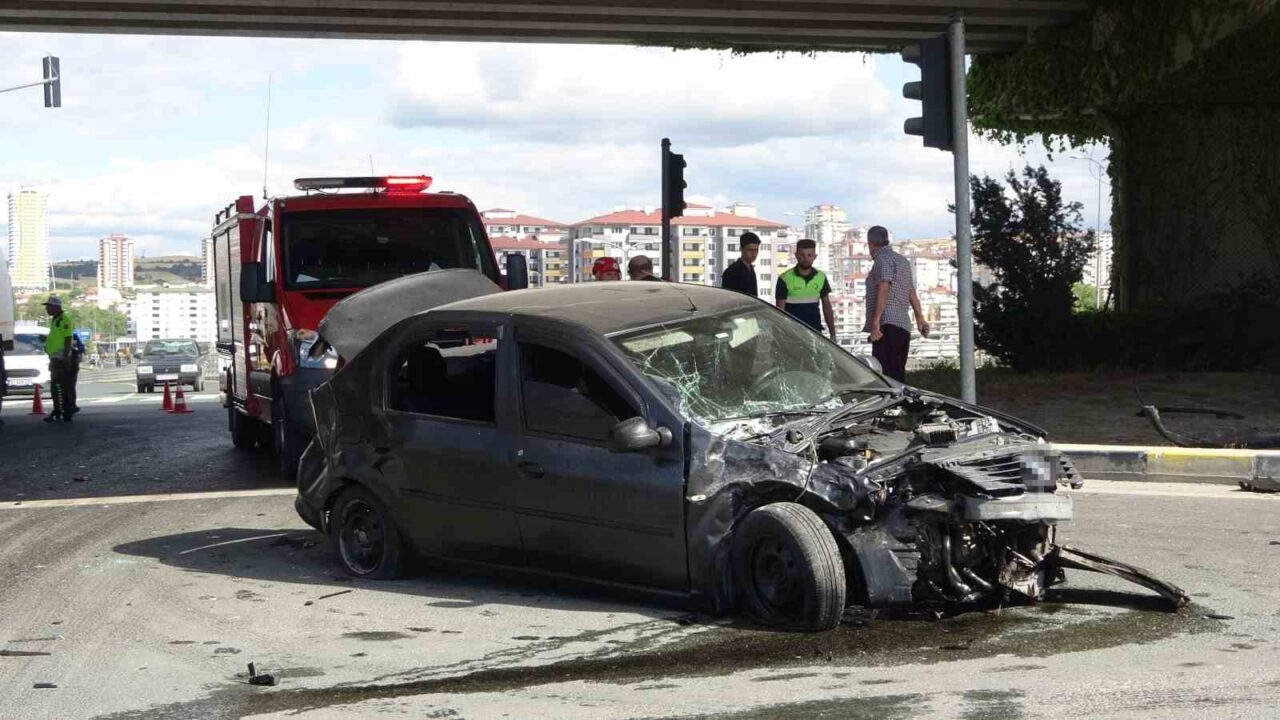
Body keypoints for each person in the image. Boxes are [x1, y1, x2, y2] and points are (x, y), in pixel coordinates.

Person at [864, 226, 929, 382]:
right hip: (903, 326)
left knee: (884, 377)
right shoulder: (902, 260)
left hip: (887, 325)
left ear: (870, 243)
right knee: (898, 374)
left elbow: (884, 286)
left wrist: (875, 322)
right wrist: (920, 319)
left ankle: (897, 406)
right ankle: (902, 405)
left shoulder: (882, 259)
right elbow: (911, 292)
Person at [776, 239, 836, 340]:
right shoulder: (784, 278)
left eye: (809, 255)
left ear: (815, 257)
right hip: (791, 335)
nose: (806, 258)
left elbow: (827, 307)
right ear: (796, 255)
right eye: (802, 255)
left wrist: (833, 333)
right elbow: (779, 311)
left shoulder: (821, 277)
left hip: (815, 332)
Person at [43, 295, 76, 423]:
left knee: (61, 385)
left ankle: (65, 410)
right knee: (56, 386)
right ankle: (59, 410)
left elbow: (68, 338)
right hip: (55, 357)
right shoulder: (55, 320)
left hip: (60, 357)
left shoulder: (64, 319)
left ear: (56, 307)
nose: (47, 309)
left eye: (49, 307)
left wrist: (66, 356)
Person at [720, 231, 760, 297]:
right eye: (750, 250)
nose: (754, 254)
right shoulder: (732, 272)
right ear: (741, 249)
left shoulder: (750, 269)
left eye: (756, 250)